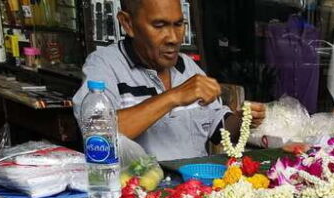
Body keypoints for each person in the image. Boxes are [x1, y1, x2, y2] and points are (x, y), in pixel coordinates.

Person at [72, 0, 265, 161]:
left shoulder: (188, 67)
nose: (173, 38)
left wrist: (242, 120)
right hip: (137, 195)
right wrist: (174, 96)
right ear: (127, 23)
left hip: (195, 189)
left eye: (178, 24)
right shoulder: (104, 66)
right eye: (159, 26)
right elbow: (98, 136)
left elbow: (219, 131)